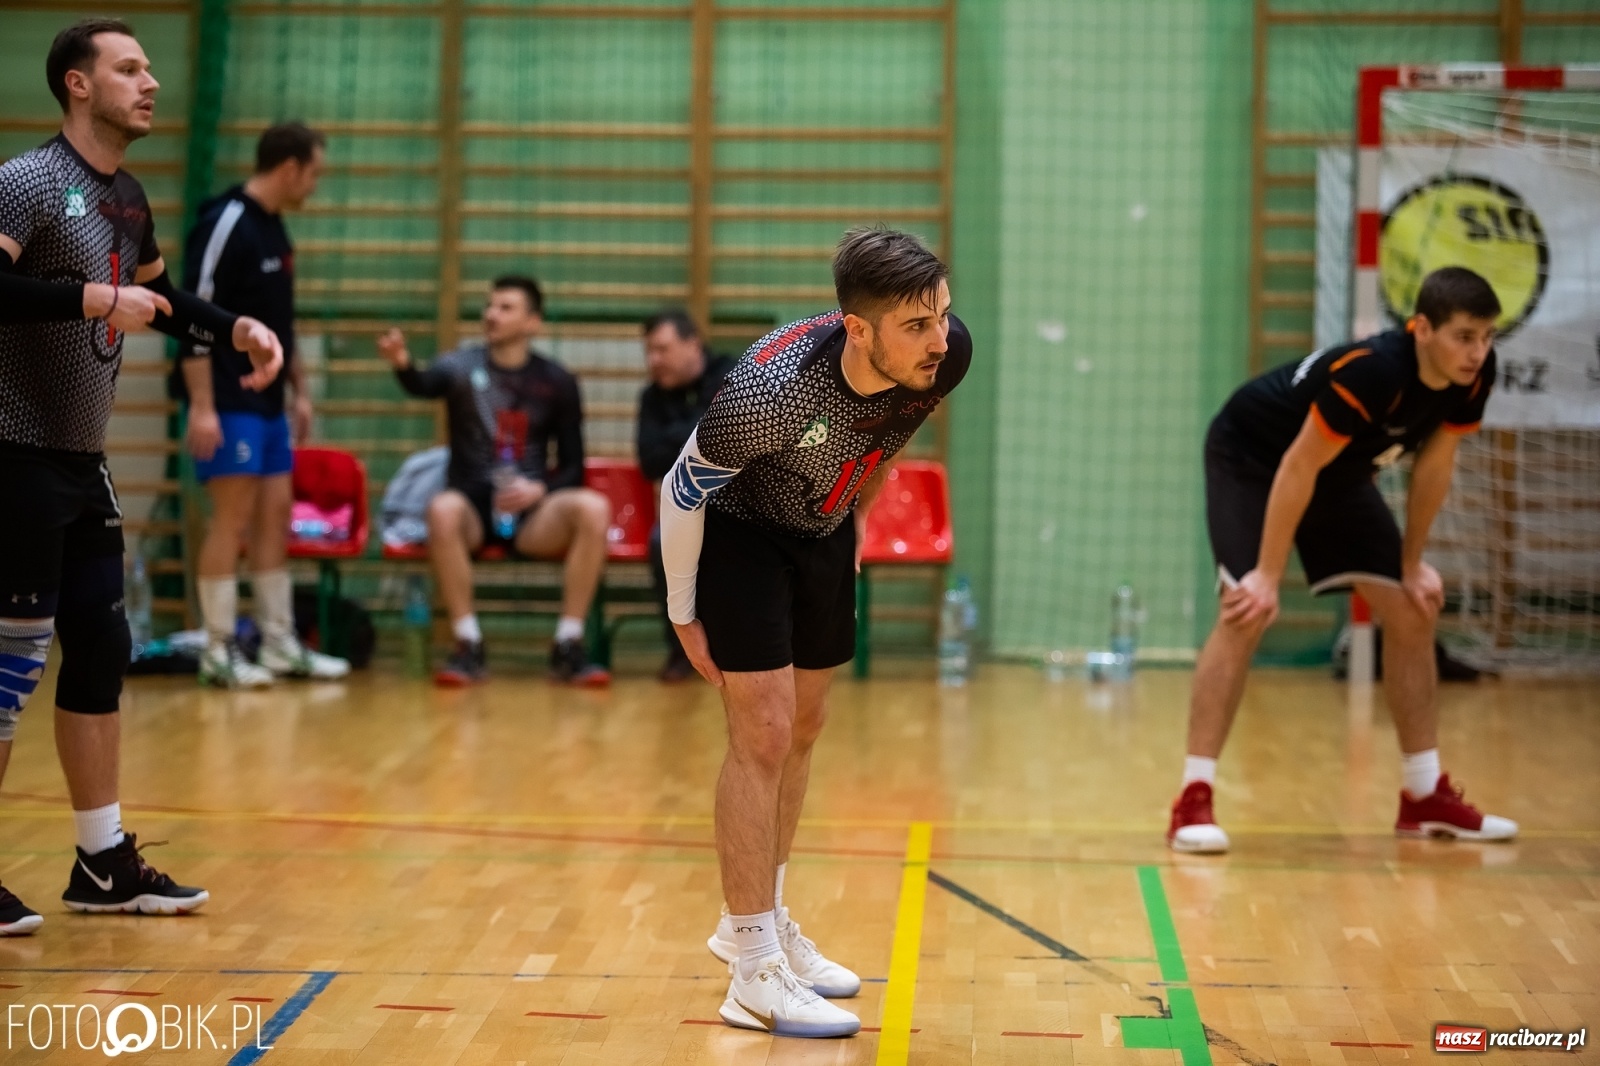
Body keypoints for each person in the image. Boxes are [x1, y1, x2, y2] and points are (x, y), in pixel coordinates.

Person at [0, 18, 282, 935]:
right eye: (129, 68)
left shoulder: (124, 197)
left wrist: (232, 327)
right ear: (78, 85)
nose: (149, 81)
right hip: (14, 450)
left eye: (150, 67)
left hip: (81, 461)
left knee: (103, 648)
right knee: (11, 663)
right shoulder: (29, 181)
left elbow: (159, 299)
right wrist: (91, 297)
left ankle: (101, 860)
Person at [659, 227, 972, 1037]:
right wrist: (683, 615)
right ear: (857, 330)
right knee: (759, 736)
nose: (939, 339)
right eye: (917, 325)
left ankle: (759, 923)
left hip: (825, 530)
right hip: (740, 532)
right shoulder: (770, 395)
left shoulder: (946, 353)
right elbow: (680, 489)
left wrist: (853, 528)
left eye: (942, 314)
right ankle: (751, 973)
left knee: (802, 728)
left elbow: (884, 440)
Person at [1168, 266, 1518, 854]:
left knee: (1412, 609)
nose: (1477, 352)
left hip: (1338, 471)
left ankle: (1423, 794)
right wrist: (1269, 576)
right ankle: (1192, 799)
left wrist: (1411, 564)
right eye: (1464, 336)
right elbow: (1296, 466)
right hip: (1252, 458)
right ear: (1422, 328)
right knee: (1246, 610)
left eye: (1487, 337)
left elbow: (1435, 465)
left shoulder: (1472, 378)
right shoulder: (1376, 370)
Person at [175, 121, 350, 688]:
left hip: (269, 404)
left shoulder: (276, 230)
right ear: (289, 167)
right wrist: (201, 405)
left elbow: (280, 322)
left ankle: (278, 644)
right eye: (314, 173)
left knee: (275, 514)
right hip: (226, 399)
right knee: (233, 518)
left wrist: (299, 390)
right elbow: (190, 312)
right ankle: (218, 649)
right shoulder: (226, 222)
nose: (315, 185)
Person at [376, 276, 612, 687]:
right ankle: (468, 643)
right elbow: (423, 384)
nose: (491, 314)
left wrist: (540, 490)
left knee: (593, 508)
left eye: (505, 308)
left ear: (532, 322)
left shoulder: (557, 382)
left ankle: (568, 643)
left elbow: (573, 466)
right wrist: (401, 363)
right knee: (441, 509)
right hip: (474, 510)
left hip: (532, 515)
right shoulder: (461, 367)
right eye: (489, 305)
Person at [635, 309, 732, 683]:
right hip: (685, 507)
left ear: (693, 343)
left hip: (742, 504)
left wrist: (679, 436)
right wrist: (699, 426)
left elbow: (734, 441)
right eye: (649, 352)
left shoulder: (733, 373)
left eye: (662, 349)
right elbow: (649, 460)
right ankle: (682, 650)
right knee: (662, 541)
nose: (653, 361)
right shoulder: (651, 397)